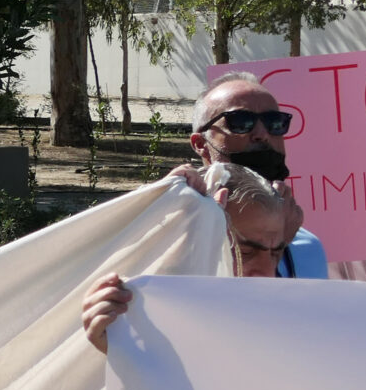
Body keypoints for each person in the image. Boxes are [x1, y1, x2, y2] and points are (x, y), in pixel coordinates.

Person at [82, 164, 290, 350]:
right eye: (243, 252)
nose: (267, 273)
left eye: (276, 253)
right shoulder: (128, 308)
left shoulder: (285, 323)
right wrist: (119, 350)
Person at [182, 70, 324, 278]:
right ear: (201, 144)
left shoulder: (307, 250)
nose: (262, 134)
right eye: (241, 122)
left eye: (274, 122)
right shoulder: (175, 234)